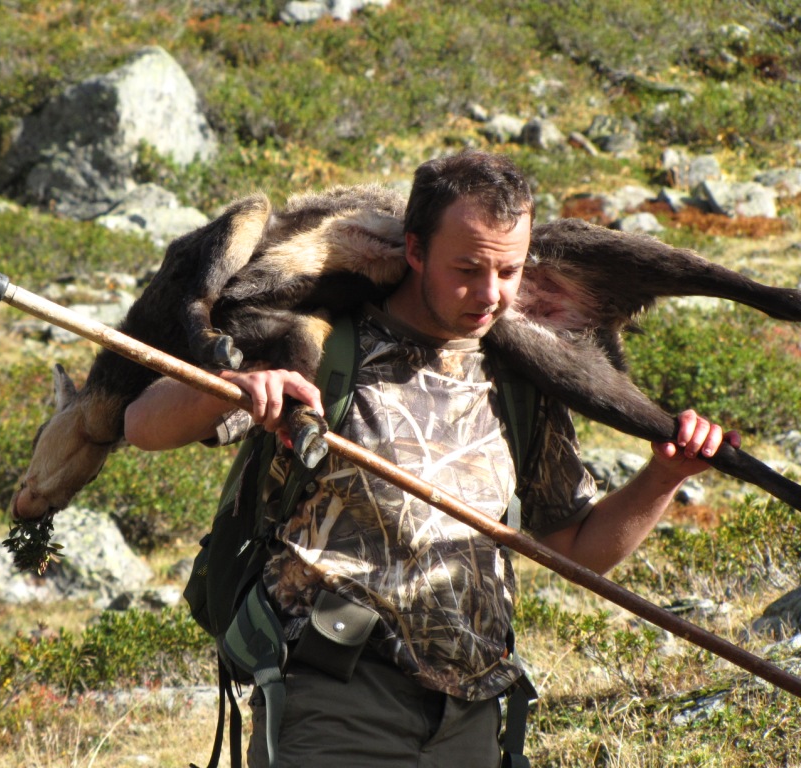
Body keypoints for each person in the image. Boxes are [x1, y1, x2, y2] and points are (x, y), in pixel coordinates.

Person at [124, 151, 738, 767]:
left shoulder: (521, 376)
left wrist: (664, 476)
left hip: (472, 713)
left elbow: (576, 547)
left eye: (509, 270)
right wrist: (231, 387)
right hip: (334, 701)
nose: (491, 294)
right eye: (467, 268)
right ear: (414, 250)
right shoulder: (320, 340)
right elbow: (144, 426)